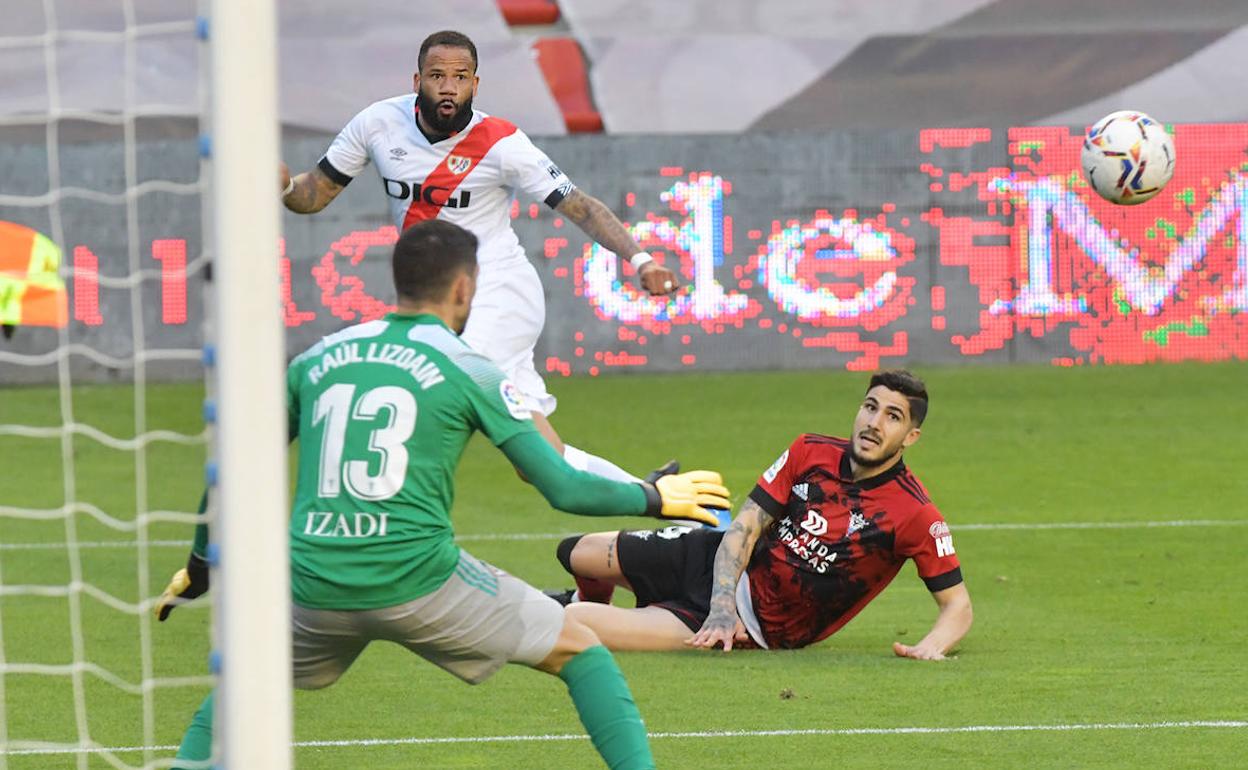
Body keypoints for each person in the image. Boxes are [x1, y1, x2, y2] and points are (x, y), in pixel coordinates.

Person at [155, 220, 731, 769]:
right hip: (421, 580)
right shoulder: (470, 368)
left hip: (313, 585)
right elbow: (560, 483)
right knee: (581, 651)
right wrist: (652, 497)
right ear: (463, 286)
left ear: (399, 282)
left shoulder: (316, 359)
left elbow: (228, 471)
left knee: (239, 690)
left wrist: (202, 564)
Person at [278, 28, 679, 488]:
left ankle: (394, 513)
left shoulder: (502, 142)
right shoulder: (377, 124)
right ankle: (659, 496)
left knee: (435, 378)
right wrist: (286, 187)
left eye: (460, 77)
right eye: (437, 76)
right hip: (447, 299)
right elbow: (315, 194)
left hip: (498, 291)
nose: (448, 87)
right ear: (417, 80)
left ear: (475, 84)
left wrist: (642, 260)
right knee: (538, 461)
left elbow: (581, 205)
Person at [546, 370, 973, 659]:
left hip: (753, 623)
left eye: (892, 416)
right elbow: (747, 525)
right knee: (575, 552)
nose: (874, 423)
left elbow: (957, 607)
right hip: (715, 563)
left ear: (911, 436)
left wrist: (930, 646)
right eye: (870, 406)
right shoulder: (810, 450)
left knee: (572, 623)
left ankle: (583, 608)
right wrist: (721, 602)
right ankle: (587, 593)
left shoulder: (914, 513)